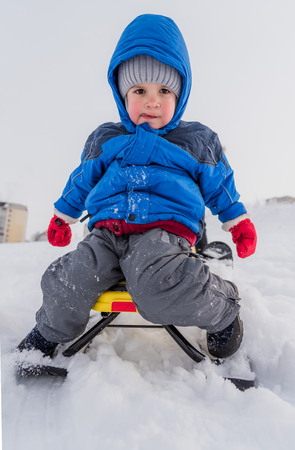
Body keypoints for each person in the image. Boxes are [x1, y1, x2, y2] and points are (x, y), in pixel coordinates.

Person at [17, 14, 257, 360]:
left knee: (156, 286)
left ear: (181, 93)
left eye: (164, 91)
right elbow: (81, 180)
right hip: (105, 233)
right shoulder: (107, 138)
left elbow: (220, 186)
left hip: (163, 232)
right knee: (71, 276)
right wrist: (62, 216)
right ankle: (50, 330)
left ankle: (222, 308)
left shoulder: (194, 140)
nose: (151, 101)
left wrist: (238, 222)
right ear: (122, 94)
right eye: (139, 91)